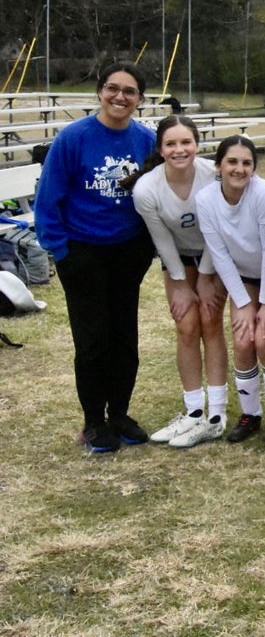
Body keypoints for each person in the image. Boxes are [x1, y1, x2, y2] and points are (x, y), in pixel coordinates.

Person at [34, 62, 158, 453]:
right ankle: (93, 422)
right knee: (92, 341)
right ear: (100, 91)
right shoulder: (74, 138)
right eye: (112, 88)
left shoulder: (146, 141)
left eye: (130, 91)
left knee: (124, 339)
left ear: (140, 98)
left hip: (127, 252)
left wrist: (148, 246)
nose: (120, 97)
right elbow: (48, 200)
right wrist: (62, 251)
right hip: (83, 251)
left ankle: (119, 415)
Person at [128, 116, 229, 448]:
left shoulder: (213, 176)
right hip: (178, 259)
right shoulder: (146, 189)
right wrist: (183, 283)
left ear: (197, 144)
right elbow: (163, 242)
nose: (179, 149)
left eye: (186, 142)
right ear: (160, 149)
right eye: (171, 144)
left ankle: (216, 415)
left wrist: (206, 278)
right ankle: (193, 411)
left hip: (214, 253)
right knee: (186, 327)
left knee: (210, 322)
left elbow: (217, 231)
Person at [196, 136, 265, 443]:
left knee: (264, 341)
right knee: (242, 339)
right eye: (232, 162)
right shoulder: (206, 199)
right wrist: (243, 302)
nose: (239, 169)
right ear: (219, 166)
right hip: (245, 278)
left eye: (246, 163)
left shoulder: (264, 194)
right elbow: (220, 254)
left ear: (254, 167)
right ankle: (250, 414)